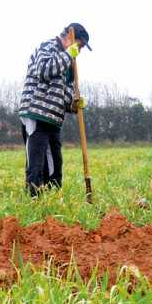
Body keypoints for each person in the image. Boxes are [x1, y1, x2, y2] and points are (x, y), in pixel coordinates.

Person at [18, 23, 91, 197]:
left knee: (55, 165)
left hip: (54, 120)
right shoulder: (47, 47)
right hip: (36, 113)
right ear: (68, 37)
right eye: (78, 46)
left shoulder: (70, 64)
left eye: (80, 48)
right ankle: (33, 202)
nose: (78, 51)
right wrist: (68, 55)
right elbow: (44, 70)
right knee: (37, 164)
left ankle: (52, 204)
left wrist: (74, 104)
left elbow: (65, 96)